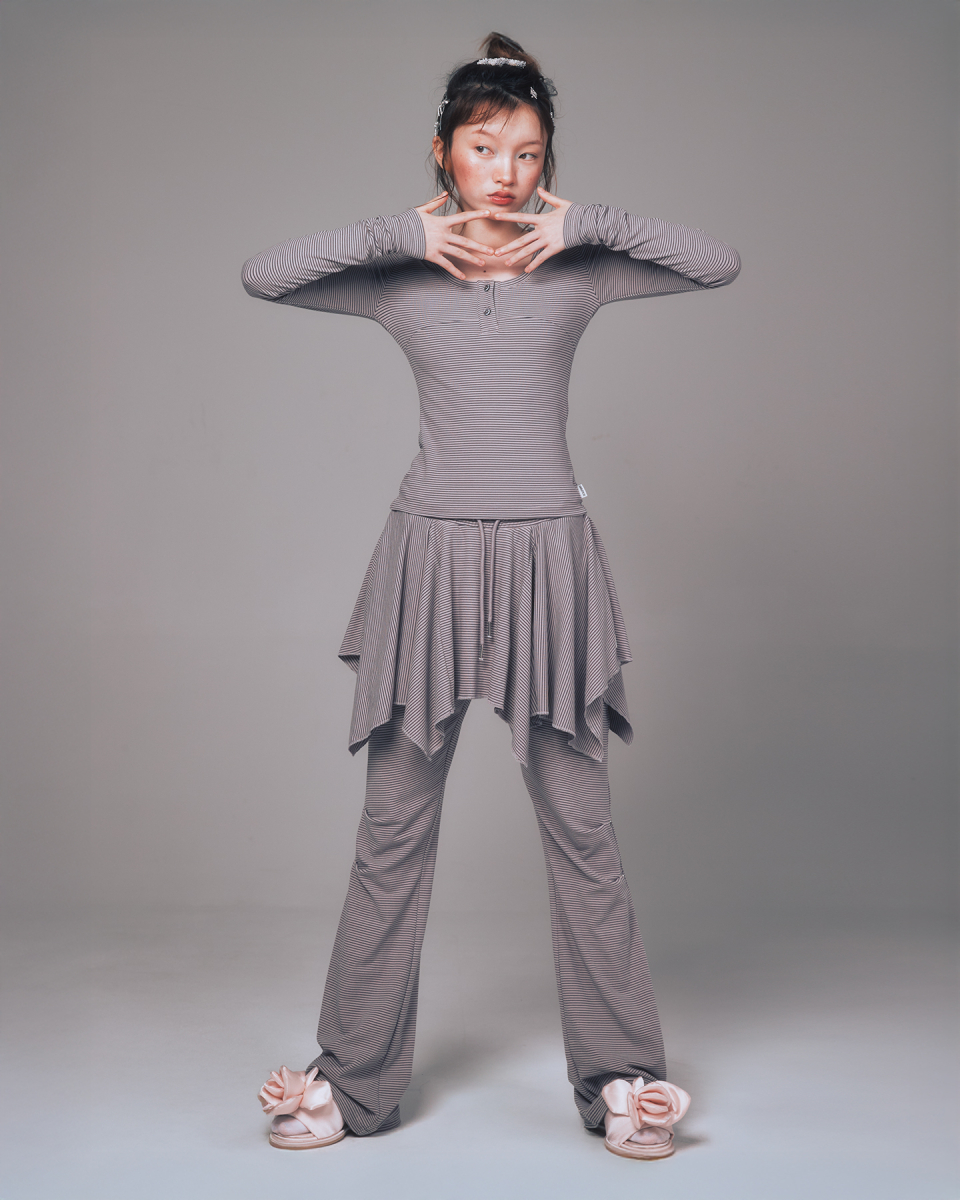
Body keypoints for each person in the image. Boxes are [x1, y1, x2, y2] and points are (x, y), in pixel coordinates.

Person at [243, 32, 740, 1161]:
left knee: (583, 832)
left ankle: (623, 1077)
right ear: (446, 153)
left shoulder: (579, 265)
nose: (505, 171)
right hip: (428, 567)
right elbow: (265, 273)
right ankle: (353, 1081)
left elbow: (717, 262)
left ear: (545, 161)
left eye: (526, 152)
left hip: (549, 570)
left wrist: (587, 221)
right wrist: (403, 233)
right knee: (392, 833)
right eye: (483, 147)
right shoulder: (402, 275)